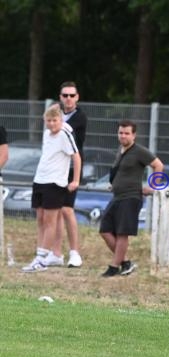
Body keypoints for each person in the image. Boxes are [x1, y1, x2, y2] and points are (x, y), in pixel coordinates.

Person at [99, 120, 163, 277]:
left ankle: (114, 266)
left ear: (133, 135)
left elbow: (158, 165)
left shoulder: (139, 151)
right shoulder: (120, 150)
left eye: (127, 133)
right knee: (105, 230)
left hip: (131, 197)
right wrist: (114, 184)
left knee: (122, 233)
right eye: (120, 133)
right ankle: (125, 262)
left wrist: (153, 186)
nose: (123, 136)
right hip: (117, 195)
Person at [22, 104, 81, 272]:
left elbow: (76, 157)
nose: (52, 124)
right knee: (40, 218)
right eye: (49, 121)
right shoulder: (47, 134)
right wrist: (52, 108)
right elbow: (51, 112)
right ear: (44, 121)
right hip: (40, 180)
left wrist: (75, 180)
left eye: (55, 120)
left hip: (55, 183)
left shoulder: (65, 133)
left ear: (61, 120)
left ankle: (41, 259)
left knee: (50, 221)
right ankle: (44, 254)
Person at [53, 81, 88, 267]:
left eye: (71, 95)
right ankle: (56, 253)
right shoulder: (56, 114)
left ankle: (75, 253)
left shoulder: (80, 117)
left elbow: (61, 131)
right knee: (55, 211)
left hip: (72, 168)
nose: (68, 99)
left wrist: (52, 119)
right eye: (65, 95)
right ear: (60, 97)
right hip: (56, 167)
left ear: (77, 97)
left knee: (67, 209)